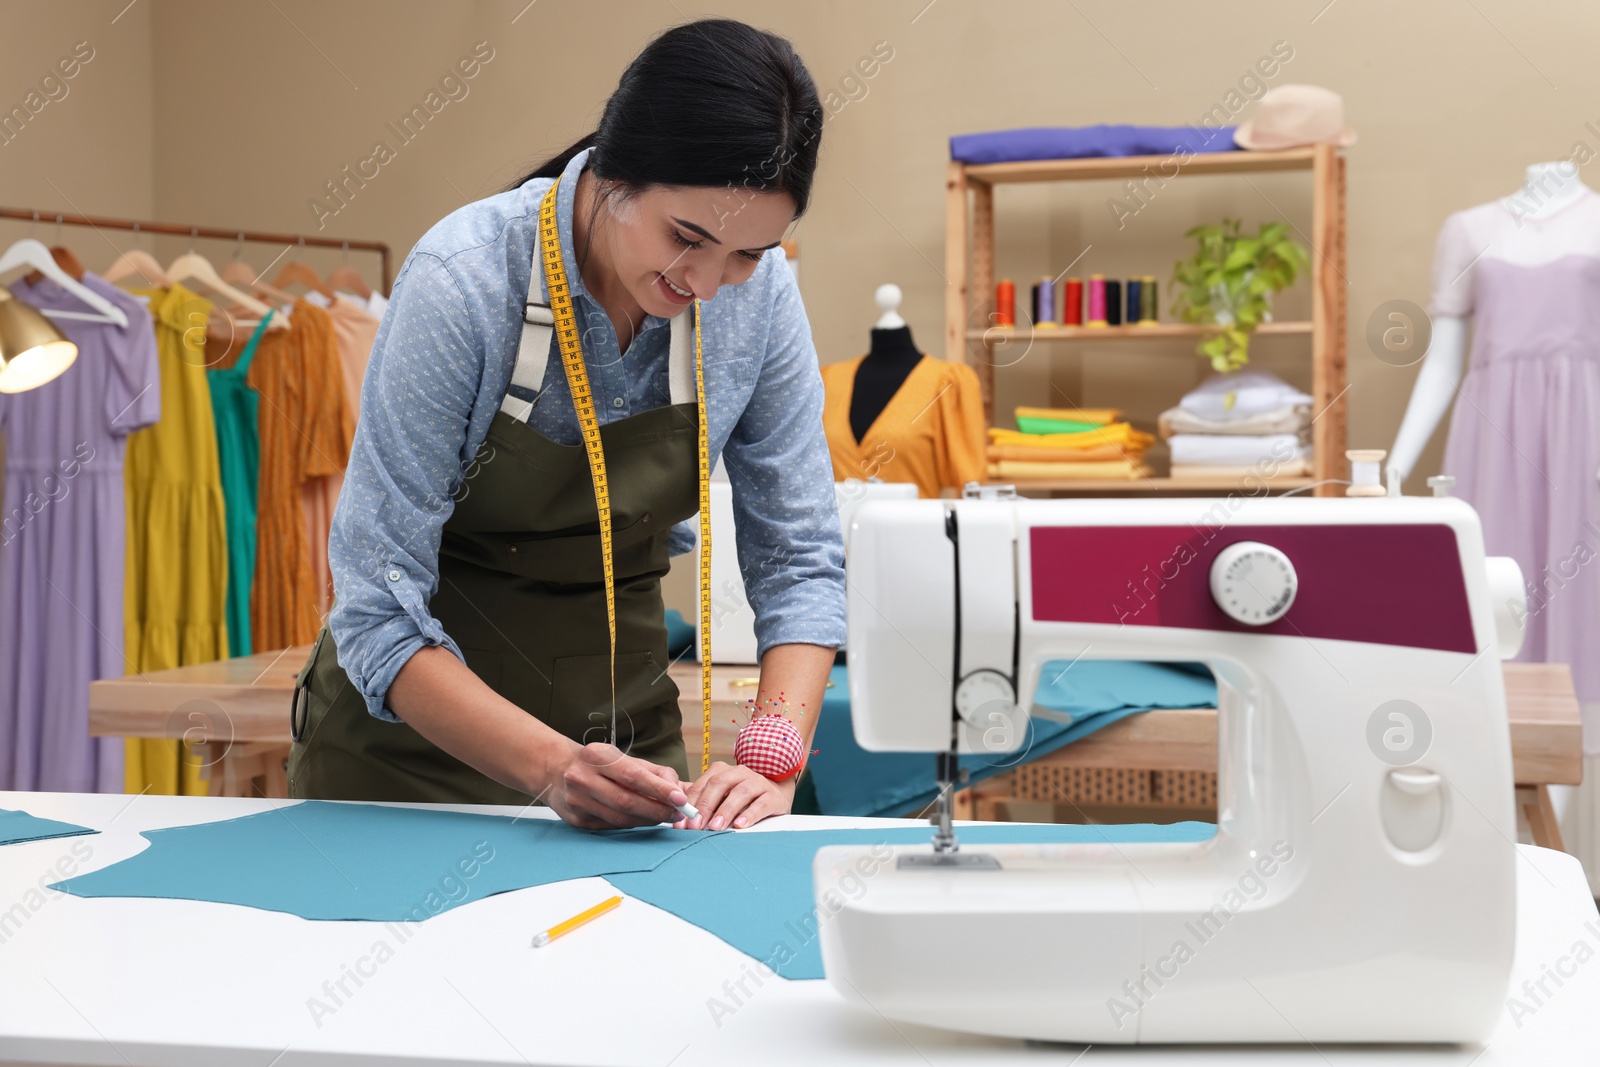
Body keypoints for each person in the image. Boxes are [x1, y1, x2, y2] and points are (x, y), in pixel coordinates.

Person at [287, 19, 844, 834]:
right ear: (613, 174)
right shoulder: (464, 282)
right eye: (686, 238)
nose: (708, 282)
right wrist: (550, 768)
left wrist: (771, 758)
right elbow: (376, 609)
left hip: (625, 760)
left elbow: (798, 559)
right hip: (402, 767)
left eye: (747, 254)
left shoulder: (755, 300)